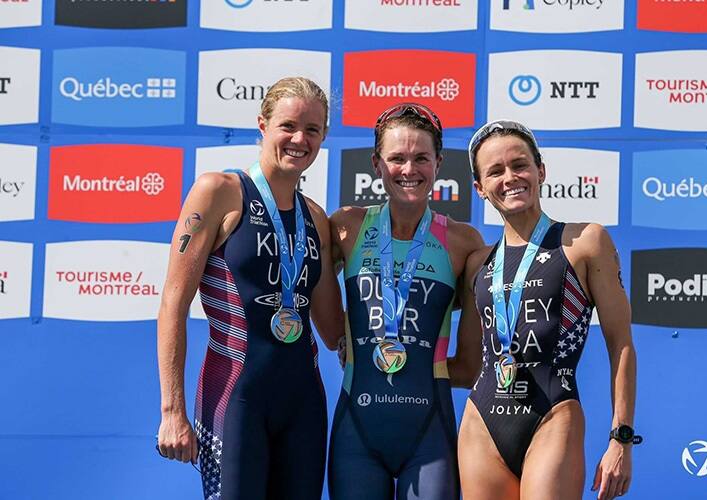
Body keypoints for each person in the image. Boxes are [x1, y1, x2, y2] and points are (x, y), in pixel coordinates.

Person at [156, 76, 343, 500]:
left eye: (312, 130)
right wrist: (172, 411)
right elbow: (173, 301)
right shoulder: (219, 191)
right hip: (235, 395)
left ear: (324, 136)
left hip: (304, 402)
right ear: (263, 125)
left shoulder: (316, 218)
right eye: (288, 126)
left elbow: (333, 332)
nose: (300, 139)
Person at [456, 120, 639, 500]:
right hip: (482, 424)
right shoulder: (477, 263)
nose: (510, 177)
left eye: (519, 164)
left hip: (553, 416)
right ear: (480, 188)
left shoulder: (586, 242)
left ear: (540, 170)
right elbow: (467, 363)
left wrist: (621, 438)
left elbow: (620, 343)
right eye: (495, 171)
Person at [328, 103, 484, 500]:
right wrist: (341, 338)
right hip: (356, 430)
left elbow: (470, 364)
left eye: (421, 158)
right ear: (376, 163)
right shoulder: (345, 226)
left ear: (439, 163)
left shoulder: (464, 243)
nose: (408, 169)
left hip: (429, 430)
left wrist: (424, 362)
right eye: (396, 158)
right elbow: (303, 286)